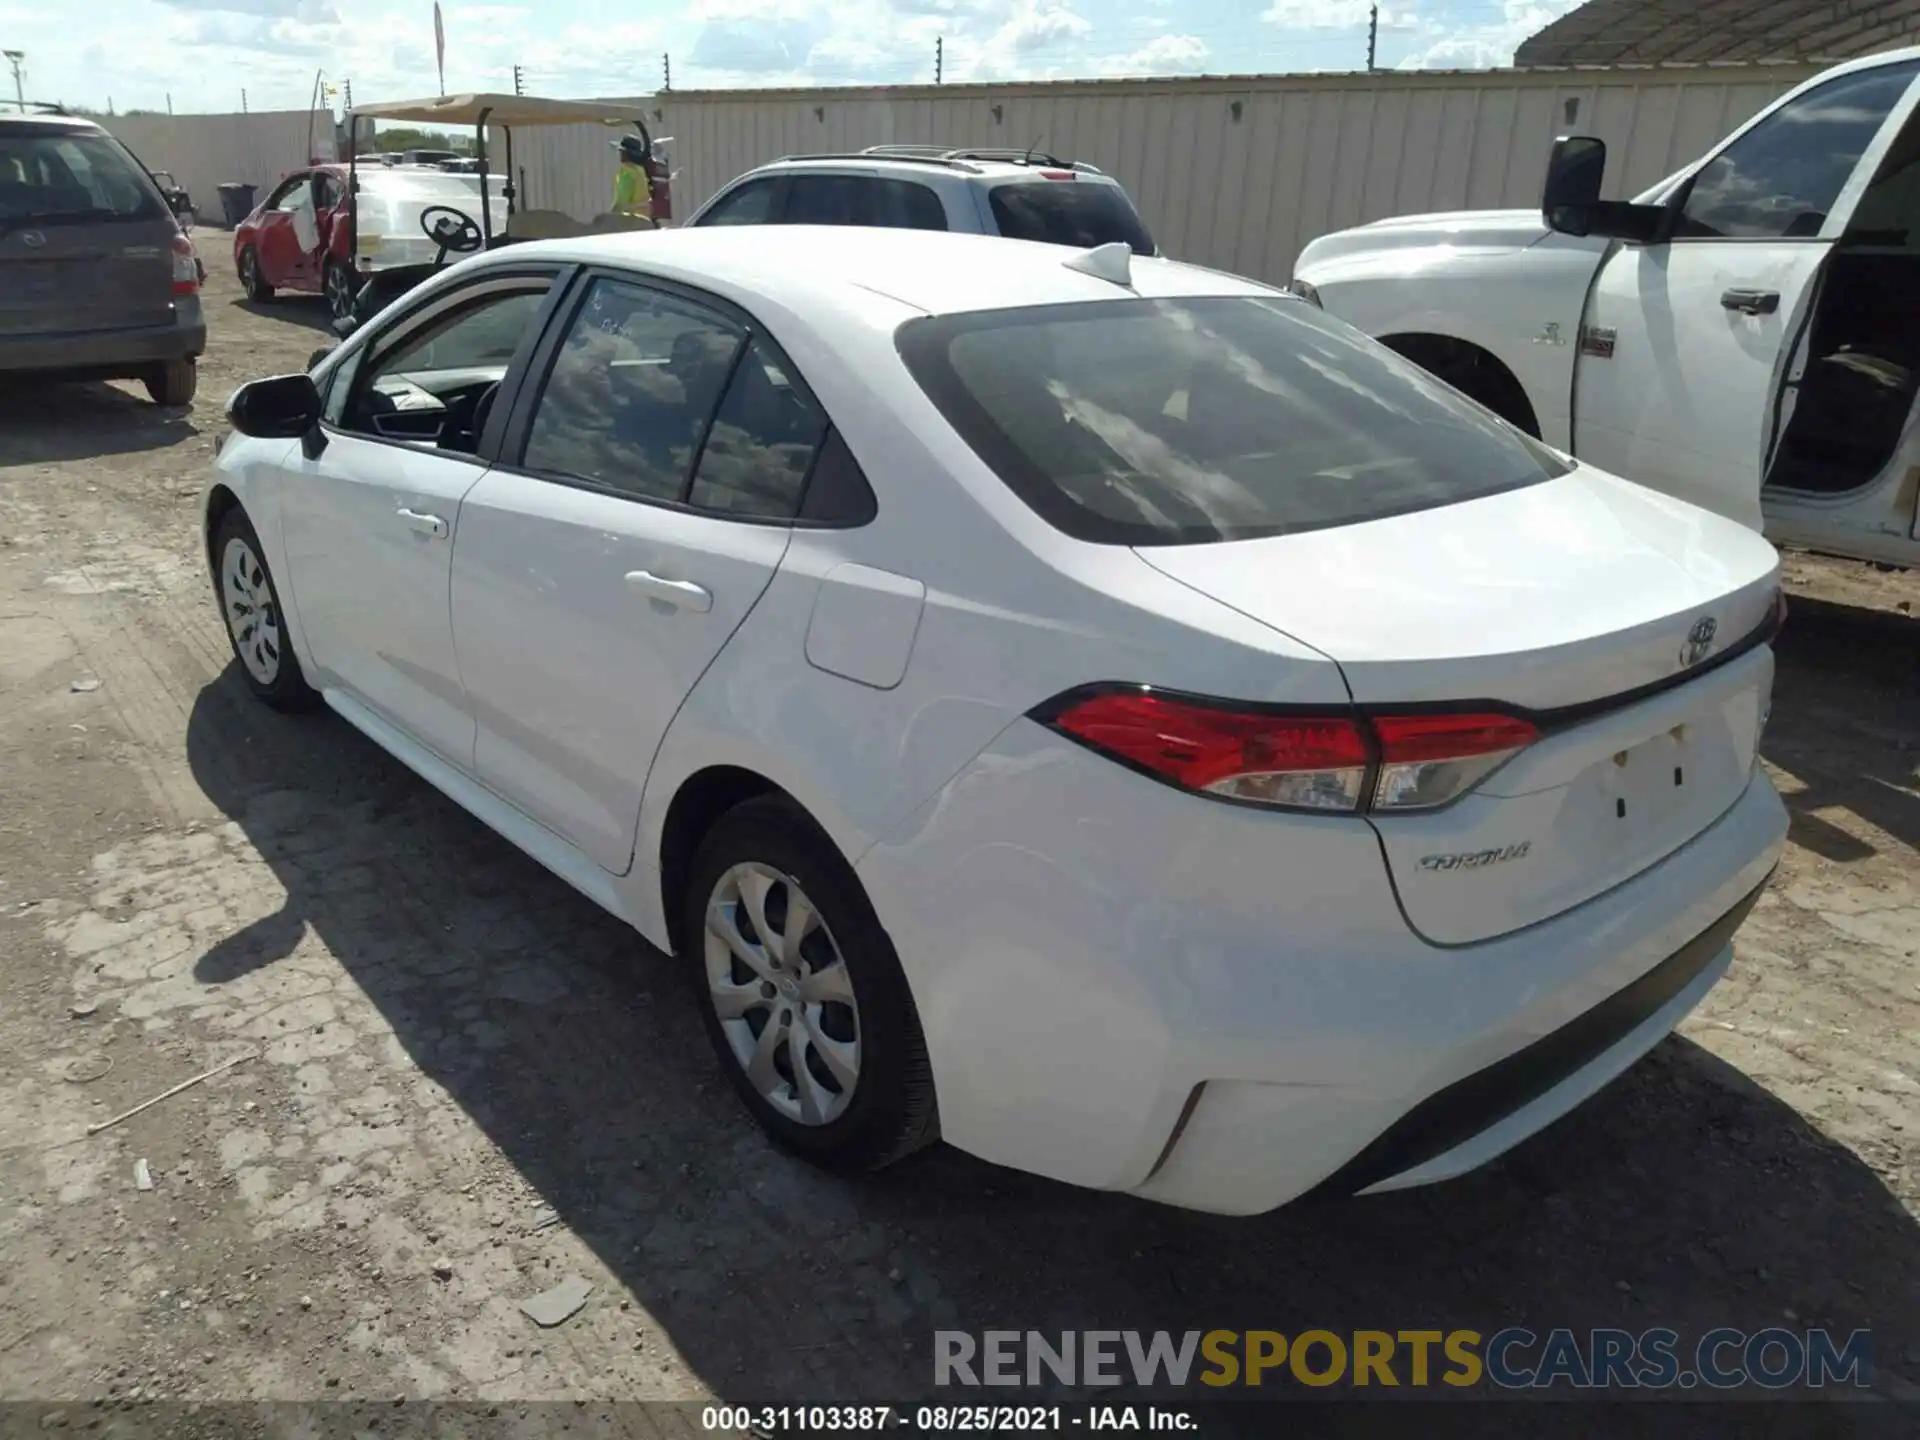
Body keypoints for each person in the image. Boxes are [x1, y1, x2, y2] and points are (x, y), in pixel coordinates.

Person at [611, 134, 652, 218]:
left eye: (622, 152)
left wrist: (609, 218)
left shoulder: (628, 173)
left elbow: (621, 203)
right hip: (643, 220)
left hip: (631, 221)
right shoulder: (640, 171)